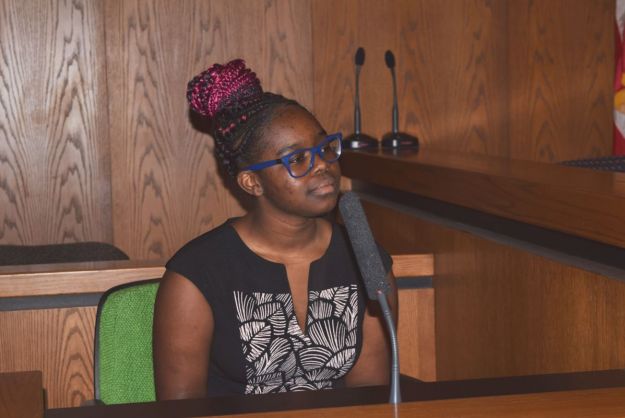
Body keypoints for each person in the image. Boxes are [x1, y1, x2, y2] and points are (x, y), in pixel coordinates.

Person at [153, 59, 397, 399]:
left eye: (324, 148)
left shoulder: (364, 259)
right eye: (296, 159)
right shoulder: (197, 274)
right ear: (252, 182)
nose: (322, 165)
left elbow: (368, 397)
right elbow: (182, 410)